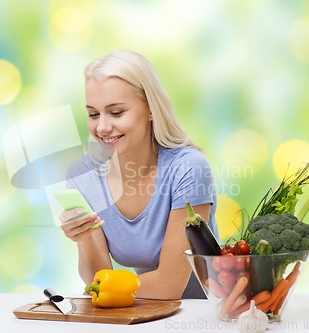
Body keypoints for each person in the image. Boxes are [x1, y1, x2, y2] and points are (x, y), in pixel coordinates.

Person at [59, 50, 219, 299]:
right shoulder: (84, 175)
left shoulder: (188, 169)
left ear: (151, 109)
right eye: (93, 114)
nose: (101, 127)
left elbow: (169, 286)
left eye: (116, 112)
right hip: (139, 314)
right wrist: (85, 237)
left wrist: (103, 290)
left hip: (207, 314)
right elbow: (98, 280)